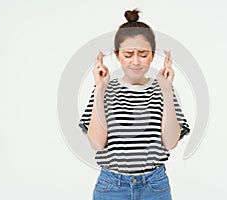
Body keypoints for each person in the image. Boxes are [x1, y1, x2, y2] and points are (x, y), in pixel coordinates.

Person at [79, 8, 190, 200]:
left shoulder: (163, 89)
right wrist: (99, 89)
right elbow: (97, 144)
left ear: (153, 55)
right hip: (111, 187)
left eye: (143, 54)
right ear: (117, 55)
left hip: (155, 186)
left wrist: (166, 90)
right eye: (128, 54)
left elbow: (171, 143)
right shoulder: (104, 89)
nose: (136, 61)